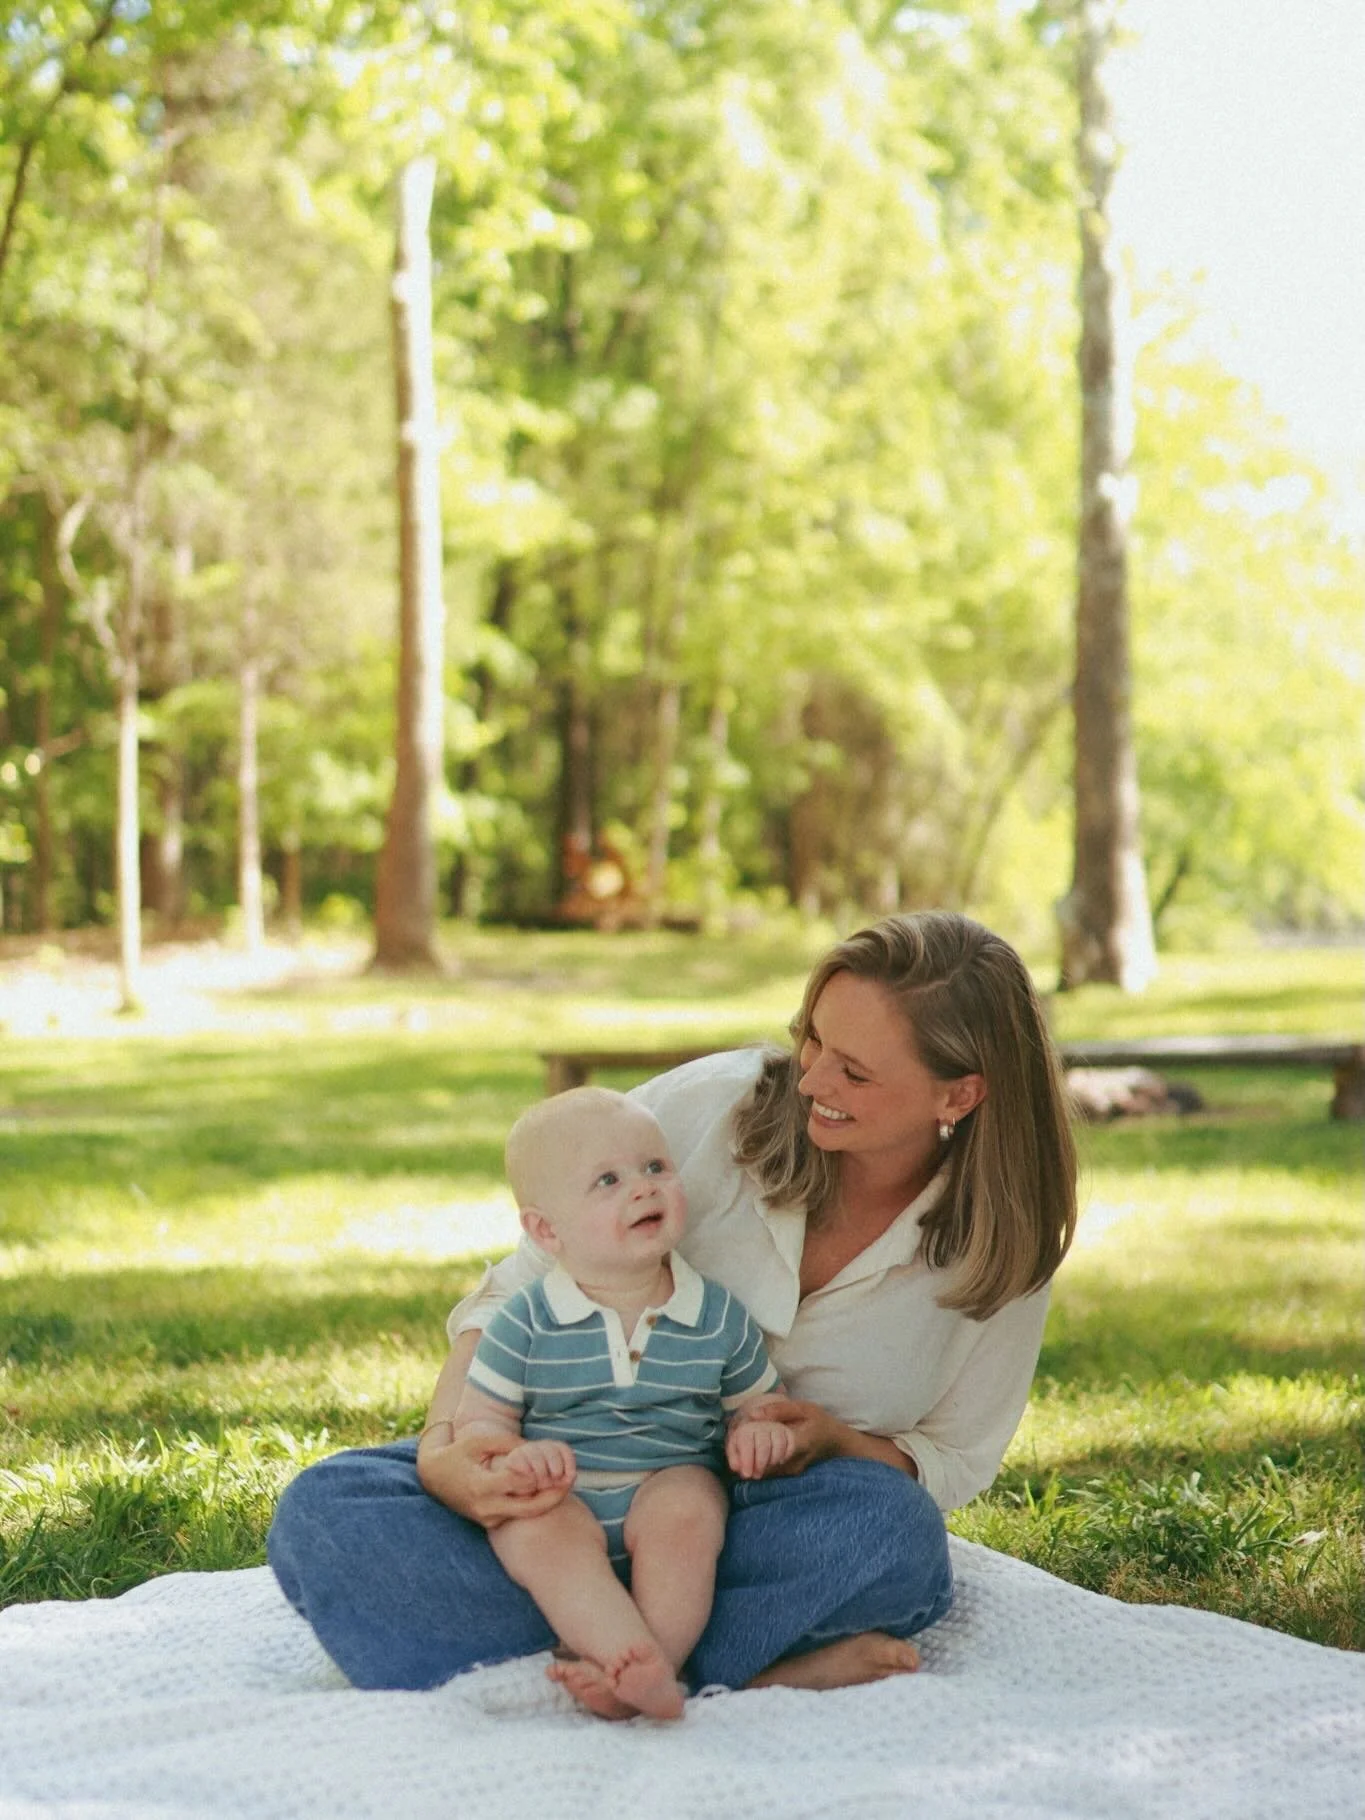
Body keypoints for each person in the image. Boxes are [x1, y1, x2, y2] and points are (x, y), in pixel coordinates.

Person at [268, 910, 1077, 1699]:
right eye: (812, 1039)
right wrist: (448, 1456)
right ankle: (731, 1661)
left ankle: (594, 1657)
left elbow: (952, 1458)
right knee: (328, 1514)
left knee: (890, 1538)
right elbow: (514, 1288)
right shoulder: (707, 1110)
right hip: (554, 1483)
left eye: (853, 1073)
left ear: (959, 1095)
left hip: (756, 1521)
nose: (811, 1080)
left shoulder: (1002, 1246)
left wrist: (835, 1441)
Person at [452, 1086, 794, 1720]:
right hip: (563, 1493)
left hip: (662, 1484)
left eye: (656, 1168)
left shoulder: (717, 1316)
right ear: (545, 1230)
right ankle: (623, 1655)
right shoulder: (524, 1322)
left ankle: (648, 1669)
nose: (643, 1188)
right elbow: (479, 1425)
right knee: (534, 1527)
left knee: (689, 1506)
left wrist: (757, 1430)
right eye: (608, 1181)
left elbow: (760, 1403)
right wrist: (516, 1460)